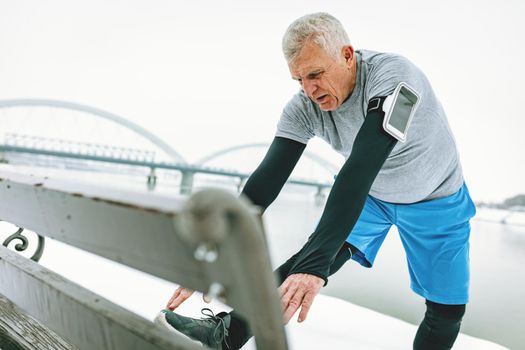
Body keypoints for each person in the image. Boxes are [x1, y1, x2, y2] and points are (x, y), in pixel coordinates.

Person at [154, 12, 476, 350]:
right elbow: (265, 182)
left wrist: (317, 266)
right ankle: (225, 335)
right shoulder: (303, 108)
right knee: (304, 262)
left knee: (446, 311)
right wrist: (215, 248)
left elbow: (362, 165)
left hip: (435, 200)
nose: (309, 90)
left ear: (347, 55)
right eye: (299, 80)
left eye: (316, 74)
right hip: (372, 197)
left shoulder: (396, 80)